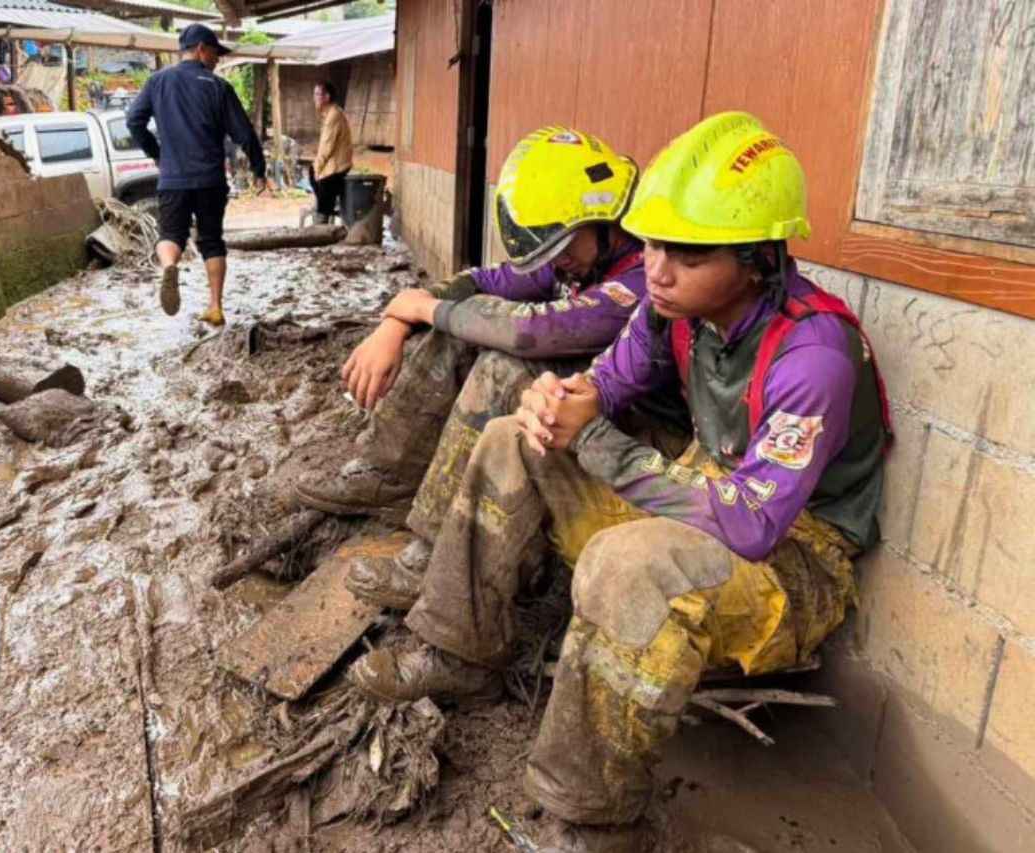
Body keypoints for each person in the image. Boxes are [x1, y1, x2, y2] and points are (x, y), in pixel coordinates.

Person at [345, 112, 892, 852]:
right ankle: (458, 648)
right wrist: (558, 403)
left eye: (687, 253)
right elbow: (603, 384)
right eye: (654, 242)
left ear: (759, 255)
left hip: (793, 559)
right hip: (705, 493)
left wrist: (596, 441)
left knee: (627, 564)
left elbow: (751, 524)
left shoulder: (814, 355)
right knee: (513, 437)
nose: (657, 268)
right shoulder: (677, 312)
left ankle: (592, 817)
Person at [295, 126, 688, 611]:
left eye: (563, 248)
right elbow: (483, 281)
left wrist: (424, 309)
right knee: (461, 332)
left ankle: (432, 556)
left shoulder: (643, 277)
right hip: (579, 406)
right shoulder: (576, 254)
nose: (558, 263)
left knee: (501, 365)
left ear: (605, 219)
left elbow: (533, 330)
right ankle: (385, 473)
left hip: (641, 434)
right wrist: (398, 320)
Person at [126, 23, 267, 327]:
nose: (217, 60)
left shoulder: (157, 82)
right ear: (202, 49)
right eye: (215, 53)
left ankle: (168, 266)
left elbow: (133, 121)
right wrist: (259, 169)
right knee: (212, 241)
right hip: (210, 180)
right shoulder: (218, 87)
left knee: (170, 235)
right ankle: (215, 306)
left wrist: (157, 155)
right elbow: (244, 133)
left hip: (173, 178)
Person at [309, 81, 353, 224]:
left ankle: (323, 222)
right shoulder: (331, 113)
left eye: (317, 94)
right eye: (314, 94)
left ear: (327, 97)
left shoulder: (334, 115)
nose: (314, 98)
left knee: (321, 178)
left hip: (339, 167)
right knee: (313, 172)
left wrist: (318, 167)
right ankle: (326, 209)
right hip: (336, 164)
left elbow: (326, 147)